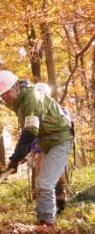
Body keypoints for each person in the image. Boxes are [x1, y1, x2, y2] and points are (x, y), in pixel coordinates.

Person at [0, 70, 73, 226]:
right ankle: (42, 221)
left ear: (16, 85)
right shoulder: (19, 102)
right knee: (41, 183)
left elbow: (29, 131)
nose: (5, 98)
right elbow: (32, 132)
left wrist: (15, 159)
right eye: (2, 95)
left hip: (59, 139)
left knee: (45, 184)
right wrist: (21, 157)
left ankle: (48, 225)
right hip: (45, 141)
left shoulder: (31, 98)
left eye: (6, 92)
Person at [34, 82, 71, 214]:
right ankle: (43, 209)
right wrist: (34, 152)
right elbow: (36, 133)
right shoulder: (36, 109)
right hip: (44, 148)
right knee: (41, 179)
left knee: (53, 180)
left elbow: (66, 130)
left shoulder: (60, 110)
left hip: (57, 147)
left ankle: (58, 208)